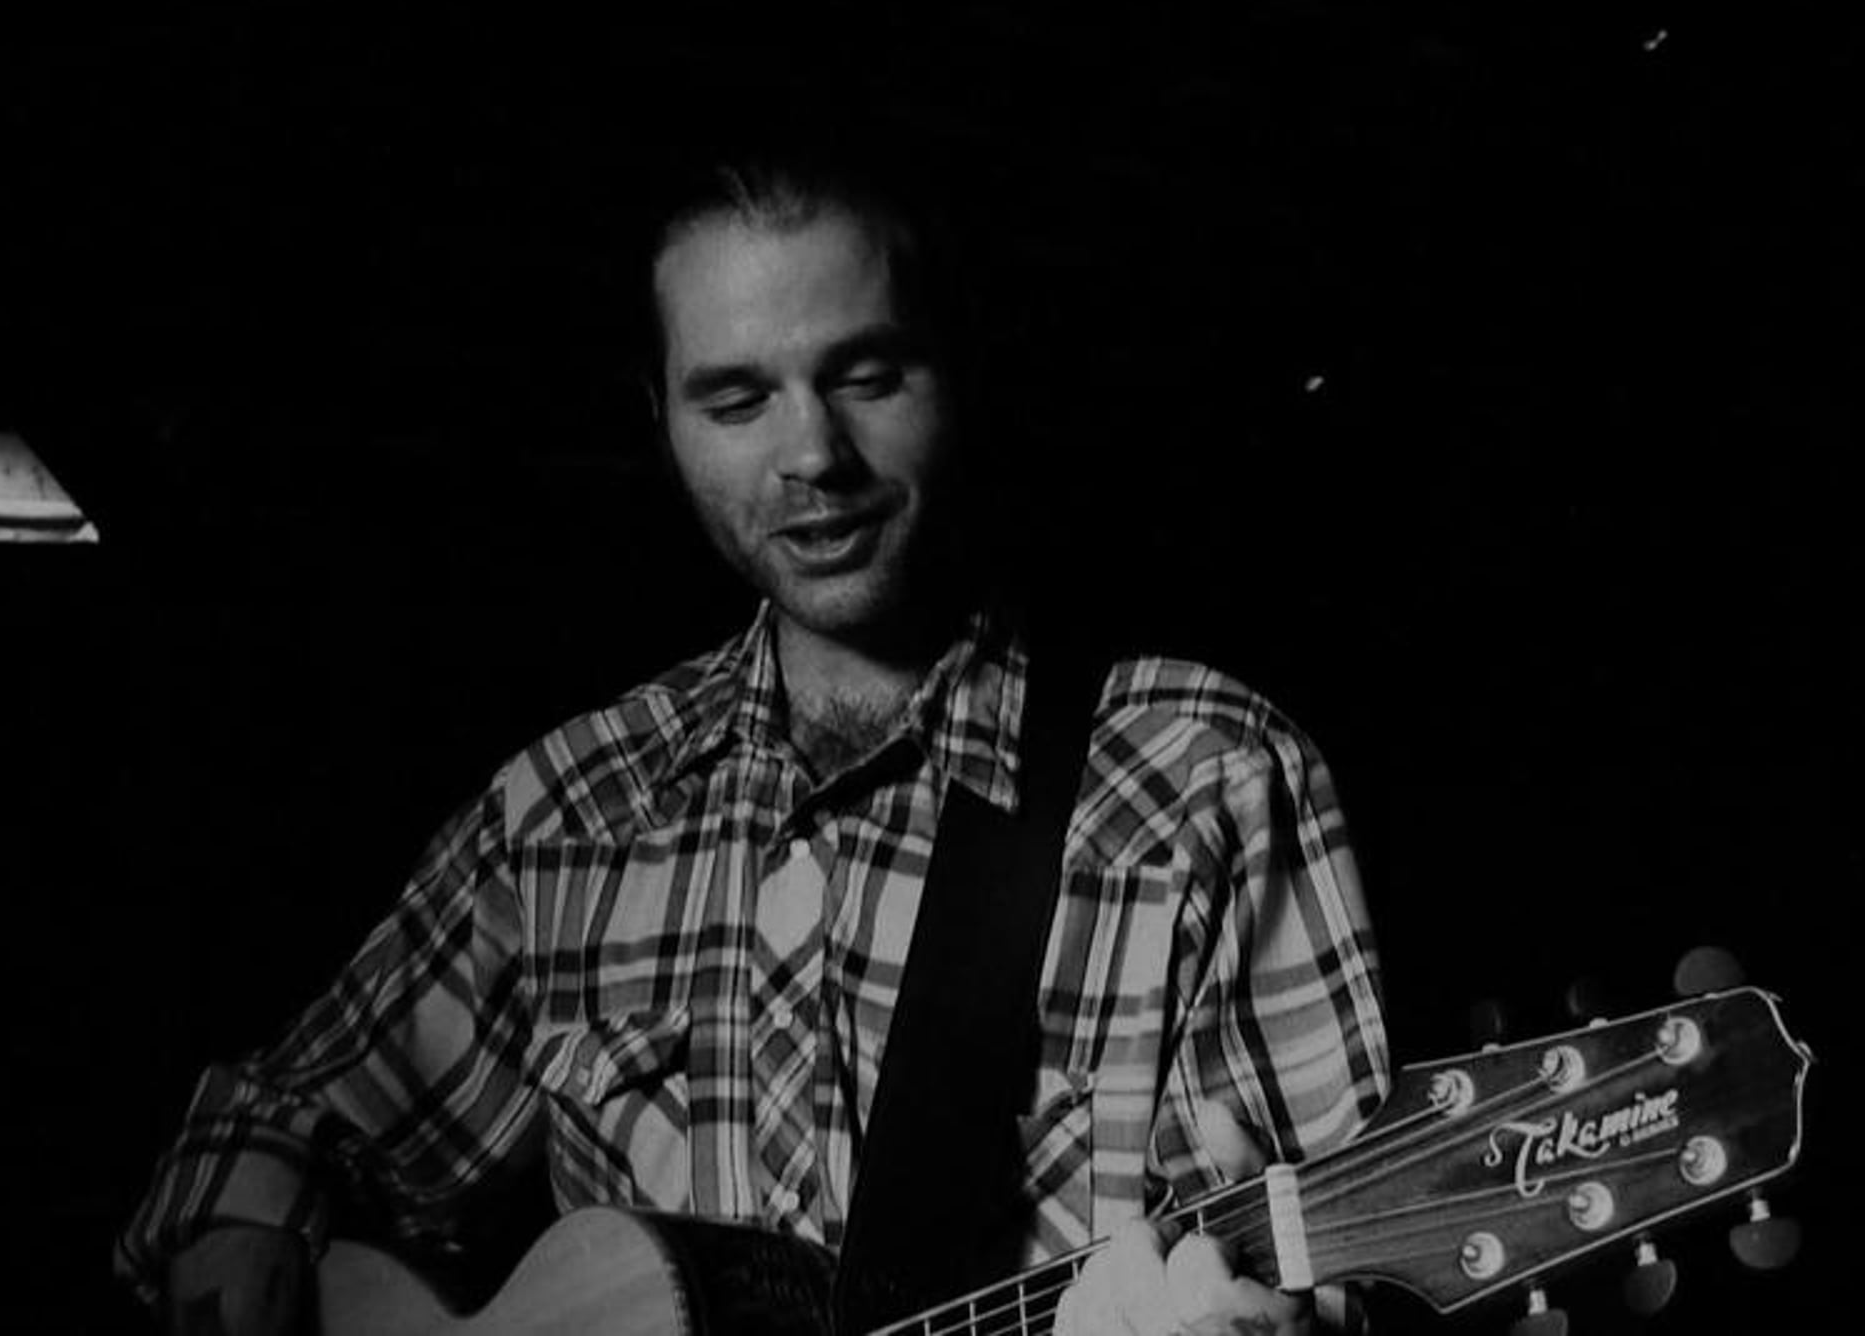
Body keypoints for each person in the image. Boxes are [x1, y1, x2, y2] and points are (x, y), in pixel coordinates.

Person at [117, 141, 1391, 1336]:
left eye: (867, 377)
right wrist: (240, 1223)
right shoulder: (567, 812)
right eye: (736, 400)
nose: (814, 456)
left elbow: (1347, 1260)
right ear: (661, 419)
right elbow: (281, 1116)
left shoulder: (1205, 778)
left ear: (959, 370)